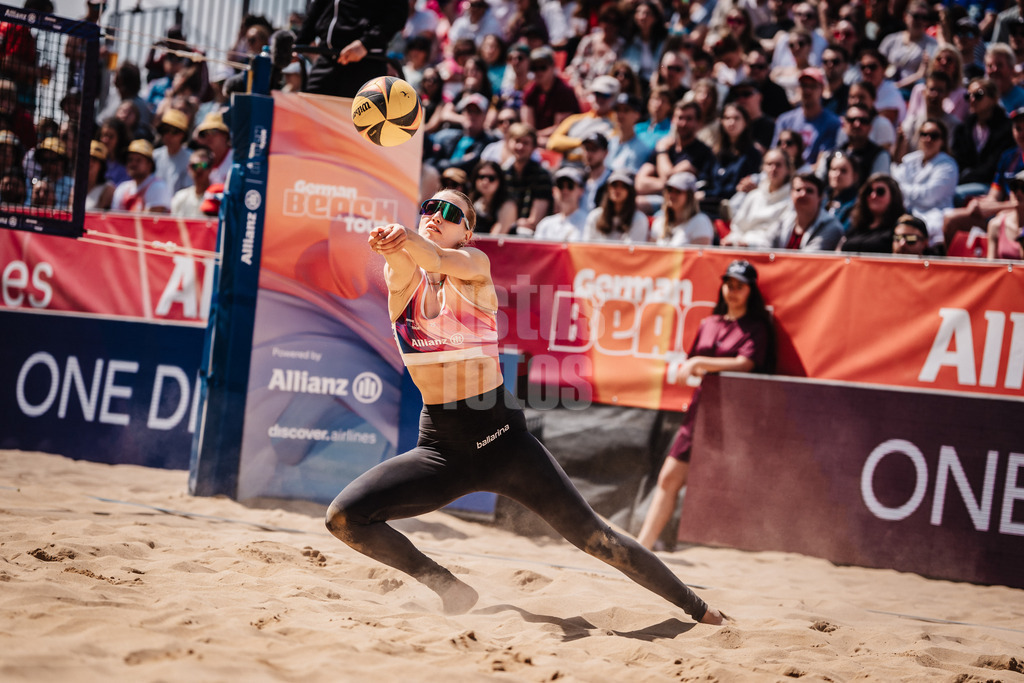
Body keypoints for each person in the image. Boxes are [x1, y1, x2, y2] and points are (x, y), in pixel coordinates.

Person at [330, 190, 725, 625]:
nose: (435, 216)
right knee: (344, 518)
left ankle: (699, 609)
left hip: (502, 442)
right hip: (441, 449)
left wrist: (405, 236)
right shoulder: (403, 279)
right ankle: (449, 587)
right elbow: (406, 259)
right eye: (429, 207)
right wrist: (393, 243)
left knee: (596, 538)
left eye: (450, 212)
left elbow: (436, 258)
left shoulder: (474, 265)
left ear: (467, 233)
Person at [636, 259, 774, 550]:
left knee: (733, 488)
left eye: (739, 286)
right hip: (701, 411)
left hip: (736, 417)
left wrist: (700, 362)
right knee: (669, 478)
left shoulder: (757, 328)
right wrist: (696, 365)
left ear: (751, 291)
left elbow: (745, 364)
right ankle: (642, 547)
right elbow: (693, 365)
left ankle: (742, 551)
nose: (732, 291)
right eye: (729, 284)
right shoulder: (709, 323)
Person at [293, 0, 406, 98]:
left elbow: (398, 14)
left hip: (367, 62)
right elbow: (316, 11)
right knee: (310, 110)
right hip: (326, 60)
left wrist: (365, 44)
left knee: (359, 114)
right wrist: (299, 45)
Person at [889, 119, 958, 247]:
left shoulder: (948, 166)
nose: (928, 139)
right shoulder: (910, 160)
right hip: (905, 212)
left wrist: (901, 188)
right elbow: (893, 182)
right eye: (924, 134)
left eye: (934, 135)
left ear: (942, 141)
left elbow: (927, 197)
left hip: (934, 216)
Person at [724, 147, 794, 247]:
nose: (773, 169)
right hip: (741, 246)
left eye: (778, 165)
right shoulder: (754, 195)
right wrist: (732, 240)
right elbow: (738, 227)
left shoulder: (792, 200)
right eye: (769, 164)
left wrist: (751, 245)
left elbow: (779, 237)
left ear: (788, 169)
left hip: (767, 251)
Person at [771, 68, 841, 167]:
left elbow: (822, 161)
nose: (807, 90)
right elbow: (775, 153)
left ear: (822, 89)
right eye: (803, 85)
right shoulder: (784, 120)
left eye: (812, 86)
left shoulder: (832, 122)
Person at [766, 172, 844, 250]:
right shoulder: (784, 219)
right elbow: (765, 246)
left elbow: (809, 256)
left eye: (809, 191)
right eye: (798, 190)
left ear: (820, 197)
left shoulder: (831, 227)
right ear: (791, 194)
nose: (803, 194)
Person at [521, 46, 580, 148]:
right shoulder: (530, 90)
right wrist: (532, 137)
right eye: (534, 68)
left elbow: (560, 128)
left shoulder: (564, 91)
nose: (538, 72)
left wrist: (534, 136)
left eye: (543, 67)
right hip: (535, 139)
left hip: (560, 139)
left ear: (553, 67)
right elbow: (527, 125)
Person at [502, 122, 552, 235]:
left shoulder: (542, 175)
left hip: (530, 234)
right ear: (508, 143)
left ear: (533, 147)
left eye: (525, 143)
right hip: (504, 228)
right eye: (517, 141)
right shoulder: (503, 173)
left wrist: (514, 224)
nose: (520, 147)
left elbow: (534, 221)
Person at [840, 174, 905, 253]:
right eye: (869, 191)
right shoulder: (856, 226)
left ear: (893, 196)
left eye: (880, 192)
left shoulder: (899, 228)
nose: (873, 196)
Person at [580, 170, 648, 242]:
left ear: (630, 191)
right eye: (614, 185)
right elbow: (587, 245)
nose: (617, 189)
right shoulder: (595, 216)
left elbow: (632, 248)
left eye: (623, 186)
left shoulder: (638, 219)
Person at [652, 172, 713, 246]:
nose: (671, 195)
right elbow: (649, 251)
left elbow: (699, 253)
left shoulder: (700, 221)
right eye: (669, 189)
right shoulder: (659, 221)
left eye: (678, 191)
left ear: (689, 196)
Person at [110, 139, 171, 214]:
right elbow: (115, 218)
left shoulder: (158, 187)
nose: (133, 164)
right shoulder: (122, 188)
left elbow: (149, 220)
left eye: (138, 160)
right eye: (130, 160)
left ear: (149, 165)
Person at [533, 165, 588, 242]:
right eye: (560, 186)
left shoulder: (588, 223)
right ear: (554, 191)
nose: (565, 191)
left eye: (570, 186)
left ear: (581, 191)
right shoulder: (545, 224)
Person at [468, 160, 516, 234]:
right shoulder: (472, 202)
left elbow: (496, 237)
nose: (485, 182)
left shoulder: (508, 205)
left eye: (491, 178)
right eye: (481, 177)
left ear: (500, 181)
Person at [153, 108, 192, 195]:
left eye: (174, 131)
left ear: (183, 135)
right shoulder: (154, 156)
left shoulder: (191, 159)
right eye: (165, 130)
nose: (168, 135)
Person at [986, 171, 1024, 260]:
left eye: (1023, 188)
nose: (1018, 193)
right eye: (1014, 187)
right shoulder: (995, 225)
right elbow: (990, 265)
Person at [171, 148, 213, 219]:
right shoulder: (180, 197)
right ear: (189, 168)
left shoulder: (215, 198)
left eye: (203, 165)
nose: (199, 170)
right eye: (195, 166)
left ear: (210, 169)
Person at [822, 150, 859, 229]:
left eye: (843, 171)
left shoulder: (857, 203)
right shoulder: (821, 196)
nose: (837, 174)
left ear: (855, 176)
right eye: (833, 169)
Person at [193, 112, 232, 185]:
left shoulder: (235, 159)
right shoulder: (204, 160)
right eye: (205, 133)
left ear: (225, 135)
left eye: (213, 131)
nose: (209, 136)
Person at [84, 140, 114, 211]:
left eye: (94, 160)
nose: (90, 163)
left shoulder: (108, 189)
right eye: (87, 158)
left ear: (101, 165)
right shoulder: (75, 186)